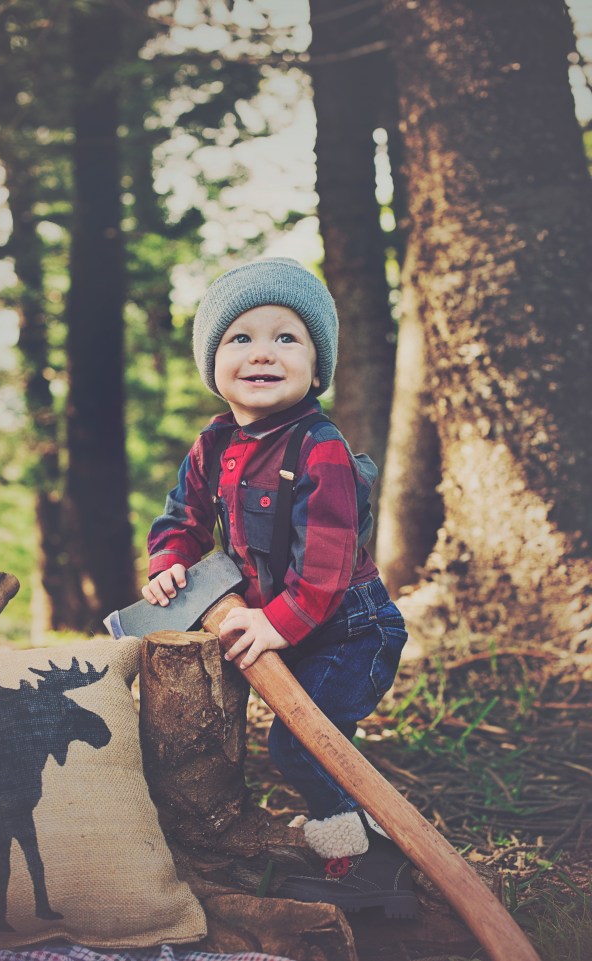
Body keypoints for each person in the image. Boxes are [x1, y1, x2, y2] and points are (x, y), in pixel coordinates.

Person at [142, 258, 417, 917]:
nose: (263, 351)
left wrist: (278, 622)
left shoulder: (319, 447)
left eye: (286, 337)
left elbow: (323, 563)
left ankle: (376, 868)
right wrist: (171, 562)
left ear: (316, 368)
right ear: (214, 365)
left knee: (302, 743)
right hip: (294, 625)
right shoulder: (213, 444)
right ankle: (346, 842)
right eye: (241, 338)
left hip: (351, 628)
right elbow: (184, 514)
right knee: (285, 741)